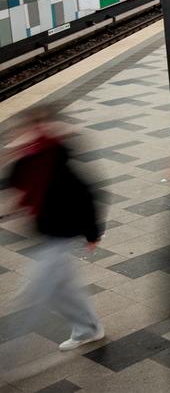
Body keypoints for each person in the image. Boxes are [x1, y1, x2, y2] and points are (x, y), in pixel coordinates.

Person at [0, 106, 104, 360]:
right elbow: (11, 181)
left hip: (63, 233)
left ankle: (8, 359)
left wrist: (92, 234)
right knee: (62, 288)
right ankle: (88, 328)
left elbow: (87, 196)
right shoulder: (28, 157)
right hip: (47, 232)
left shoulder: (57, 158)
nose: (22, 133)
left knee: (35, 290)